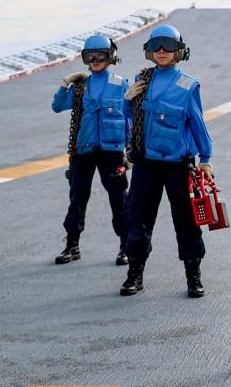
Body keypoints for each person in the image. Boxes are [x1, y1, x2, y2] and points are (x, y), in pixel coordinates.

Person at [120, 24, 214, 298]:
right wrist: (126, 101)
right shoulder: (142, 79)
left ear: (179, 51)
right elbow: (132, 118)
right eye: (156, 45)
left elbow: (197, 123)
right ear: (149, 51)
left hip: (178, 165)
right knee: (138, 218)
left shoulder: (188, 85)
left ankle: (193, 276)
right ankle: (134, 275)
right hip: (147, 164)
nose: (162, 51)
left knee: (186, 221)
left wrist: (206, 158)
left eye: (168, 46)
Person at [51, 35, 130, 266]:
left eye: (100, 56)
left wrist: (131, 151)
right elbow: (57, 107)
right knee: (77, 197)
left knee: (119, 199)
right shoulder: (80, 86)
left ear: (111, 56)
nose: (95, 60)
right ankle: (72, 246)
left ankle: (125, 246)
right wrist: (66, 83)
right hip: (83, 151)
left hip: (112, 151)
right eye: (89, 56)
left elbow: (129, 118)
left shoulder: (120, 83)